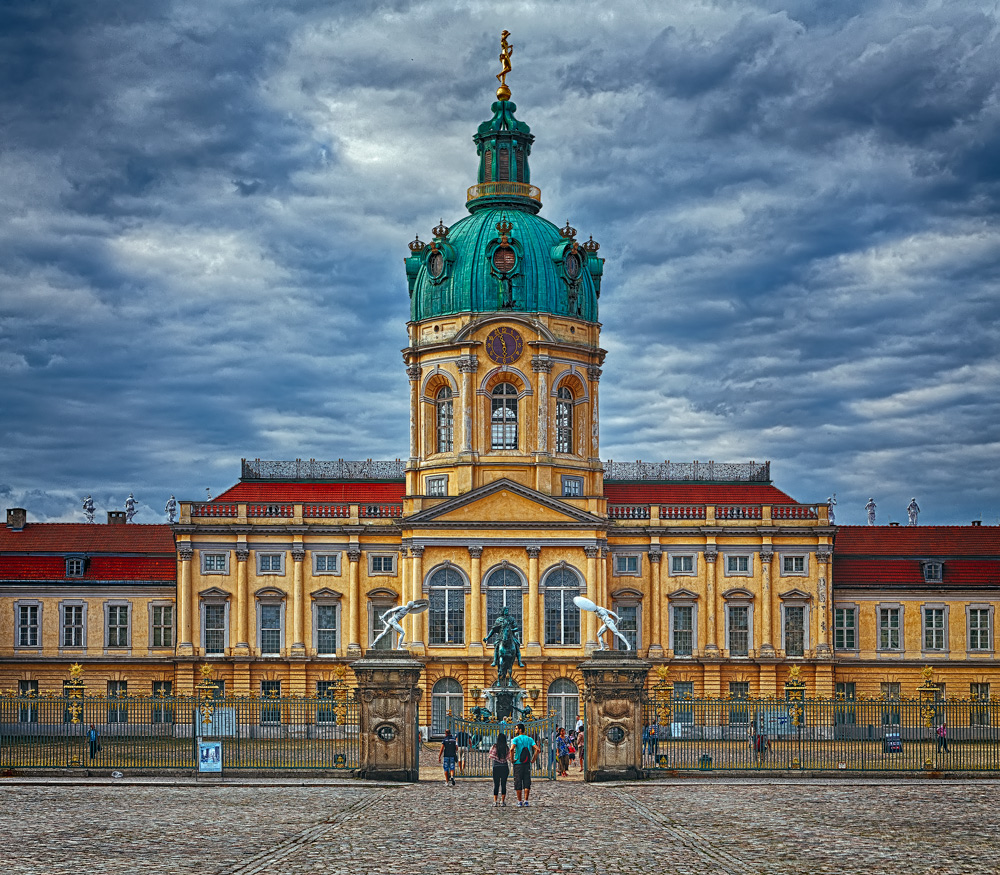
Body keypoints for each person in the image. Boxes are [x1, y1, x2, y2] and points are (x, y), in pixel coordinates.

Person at [509, 722, 539, 806]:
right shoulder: (529, 739)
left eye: (516, 728)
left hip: (518, 763)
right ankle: (526, 800)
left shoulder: (516, 739)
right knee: (526, 781)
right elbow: (537, 749)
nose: (515, 730)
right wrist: (533, 759)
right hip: (527, 763)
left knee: (518, 782)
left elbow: (511, 749)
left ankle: (519, 801)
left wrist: (512, 760)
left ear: (520, 730)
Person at [489, 731, 510, 807]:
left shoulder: (494, 747)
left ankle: (495, 801)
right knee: (504, 784)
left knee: (496, 784)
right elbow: (509, 757)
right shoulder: (506, 748)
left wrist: (497, 758)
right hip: (504, 766)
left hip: (496, 767)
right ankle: (502, 801)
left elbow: (491, 755)